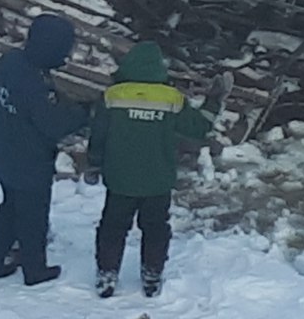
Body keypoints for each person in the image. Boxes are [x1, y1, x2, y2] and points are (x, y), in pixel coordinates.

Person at [85, 41, 214, 299]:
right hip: (158, 180)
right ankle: (151, 276)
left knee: (113, 226)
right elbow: (199, 127)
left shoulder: (113, 96)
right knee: (155, 227)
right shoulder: (172, 99)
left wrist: (94, 163)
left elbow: (98, 135)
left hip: (120, 180)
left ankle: (107, 274)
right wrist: (215, 100)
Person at [0, 13, 88, 288]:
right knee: (33, 218)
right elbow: (51, 125)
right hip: (30, 163)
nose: (67, 55)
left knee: (9, 209)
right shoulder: (35, 84)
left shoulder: (11, 63)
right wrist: (83, 113)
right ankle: (34, 270)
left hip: (5, 153)